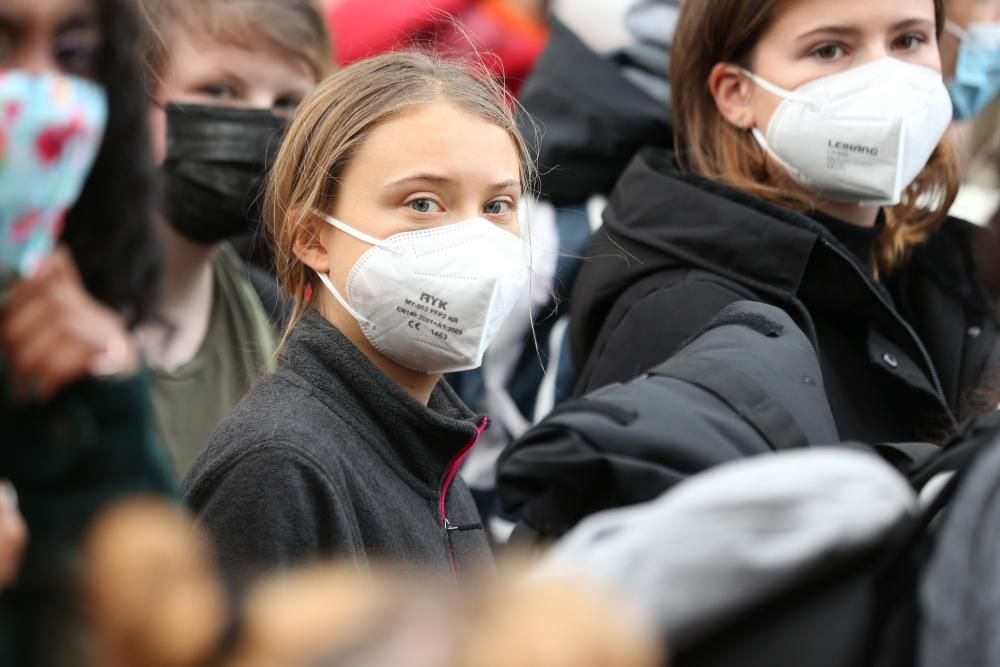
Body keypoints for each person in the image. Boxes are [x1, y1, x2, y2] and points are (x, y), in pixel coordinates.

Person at [570, 0, 999, 445]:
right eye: (830, 50)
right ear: (735, 93)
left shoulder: (935, 263)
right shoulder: (682, 313)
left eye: (908, 40)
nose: (885, 79)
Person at [184, 51, 533, 584]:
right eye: (422, 203)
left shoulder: (429, 439)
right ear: (311, 237)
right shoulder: (281, 466)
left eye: (496, 206)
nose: (475, 241)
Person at [0, 0, 178, 662]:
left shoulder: (77, 333)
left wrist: (109, 395)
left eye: (74, 57)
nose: (40, 93)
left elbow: (159, 622)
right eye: (1, 44)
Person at [134, 0, 331, 474]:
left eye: (288, 104)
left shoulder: (277, 322)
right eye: (219, 90)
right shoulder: (41, 303)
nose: (261, 126)